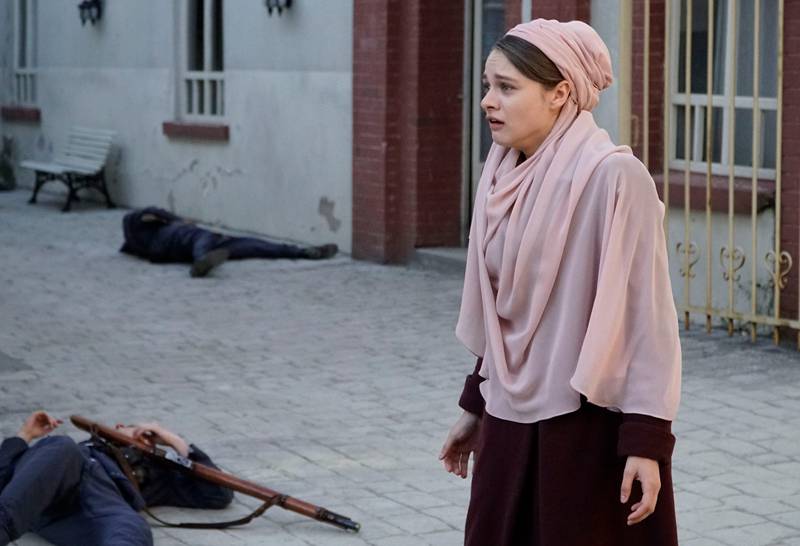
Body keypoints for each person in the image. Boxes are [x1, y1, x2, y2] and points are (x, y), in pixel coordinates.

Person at [438, 19, 681, 546]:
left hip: (585, 428)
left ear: (560, 93)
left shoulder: (615, 179)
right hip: (507, 424)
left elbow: (647, 321)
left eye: (507, 87)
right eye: (488, 85)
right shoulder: (500, 176)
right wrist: (475, 406)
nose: (487, 101)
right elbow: (511, 315)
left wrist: (646, 441)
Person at [0, 411, 234, 546]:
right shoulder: (75, 450)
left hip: (101, 504)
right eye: (141, 431)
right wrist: (25, 435)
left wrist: (174, 441)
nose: (146, 438)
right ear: (119, 427)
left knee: (132, 525)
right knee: (62, 445)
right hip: (50, 487)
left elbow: (218, 494)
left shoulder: (160, 475)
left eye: (152, 437)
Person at [120, 207, 339, 277]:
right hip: (189, 239)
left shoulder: (136, 243)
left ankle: (303, 252)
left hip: (194, 246)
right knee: (202, 239)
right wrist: (177, 220)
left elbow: (126, 248)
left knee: (253, 246)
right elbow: (152, 211)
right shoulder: (135, 221)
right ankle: (200, 263)